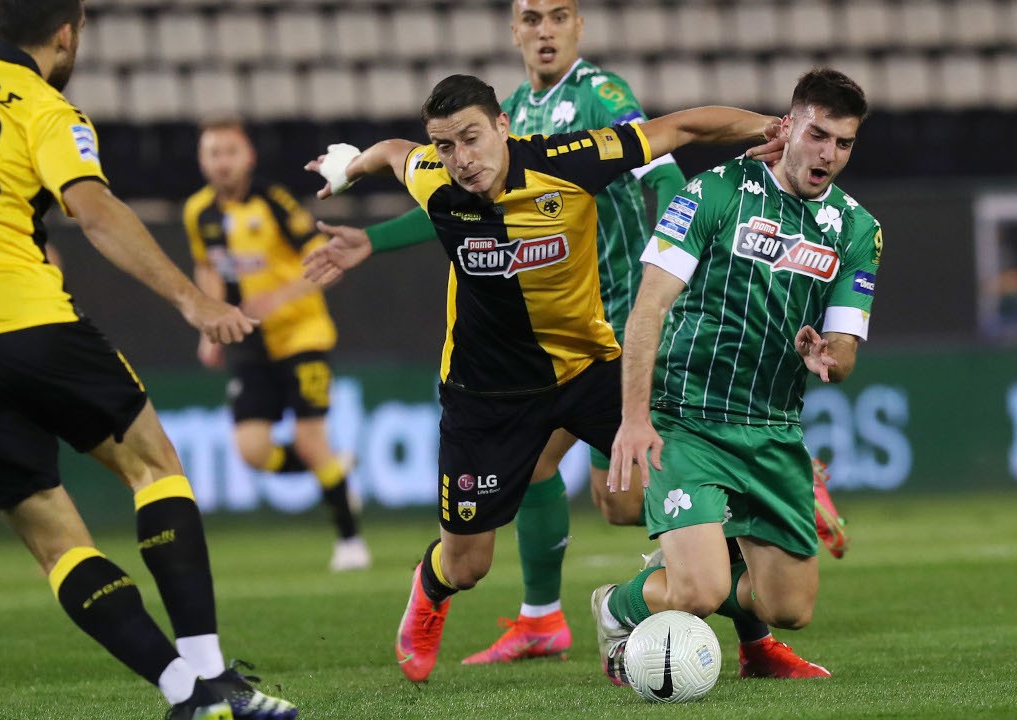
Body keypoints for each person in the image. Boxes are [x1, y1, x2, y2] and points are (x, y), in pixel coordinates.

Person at [303, 0, 849, 671]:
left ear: (503, 126)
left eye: (471, 139)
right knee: (469, 563)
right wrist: (351, 165)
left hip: (589, 368)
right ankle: (433, 588)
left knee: (690, 473)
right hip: (485, 393)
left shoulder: (569, 160)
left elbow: (679, 128)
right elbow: (395, 153)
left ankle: (756, 642)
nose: (461, 159)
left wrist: (768, 127)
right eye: (446, 146)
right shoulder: (434, 177)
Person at [0, 2, 298, 718]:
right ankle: (212, 675)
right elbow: (94, 210)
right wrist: (194, 301)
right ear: (66, 32)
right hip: (31, 320)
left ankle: (185, 694)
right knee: (154, 468)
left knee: (54, 541)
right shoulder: (44, 107)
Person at [591, 67, 879, 684]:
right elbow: (649, 308)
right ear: (789, 126)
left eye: (844, 143)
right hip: (688, 417)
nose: (828, 154)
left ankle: (673, 572)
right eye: (818, 135)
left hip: (772, 427)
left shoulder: (859, 230)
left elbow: (845, 353)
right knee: (699, 591)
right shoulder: (714, 192)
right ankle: (617, 607)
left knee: (790, 609)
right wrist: (635, 418)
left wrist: (826, 355)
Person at [184, 118, 370, 573]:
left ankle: (350, 542)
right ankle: (335, 473)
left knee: (309, 441)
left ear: (248, 156)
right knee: (252, 450)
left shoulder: (274, 202)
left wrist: (278, 298)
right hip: (249, 341)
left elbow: (325, 261)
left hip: (302, 334)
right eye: (213, 153)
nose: (222, 162)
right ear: (201, 161)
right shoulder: (198, 212)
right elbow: (206, 267)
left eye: (230, 151)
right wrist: (209, 325)